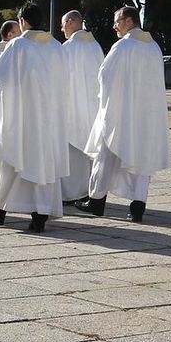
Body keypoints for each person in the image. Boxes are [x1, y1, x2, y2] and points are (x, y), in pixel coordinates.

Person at [0, 2, 69, 232]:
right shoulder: (57, 46)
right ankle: (39, 214)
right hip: (48, 118)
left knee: (12, 159)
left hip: (23, 116)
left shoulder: (18, 45)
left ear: (22, 21)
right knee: (42, 164)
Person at [78, 6, 170, 222]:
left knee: (105, 154)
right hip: (146, 115)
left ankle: (96, 201)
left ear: (129, 21)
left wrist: (107, 100)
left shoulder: (124, 45)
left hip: (120, 112)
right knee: (142, 159)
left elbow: (105, 76)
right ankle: (138, 207)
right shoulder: (153, 47)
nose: (114, 26)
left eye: (117, 21)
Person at [59, 10, 105, 204]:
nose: (62, 29)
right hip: (93, 107)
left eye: (63, 25)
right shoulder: (96, 47)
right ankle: (89, 189)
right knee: (89, 148)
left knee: (72, 150)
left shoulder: (68, 48)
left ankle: (71, 193)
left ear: (71, 22)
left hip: (71, 108)